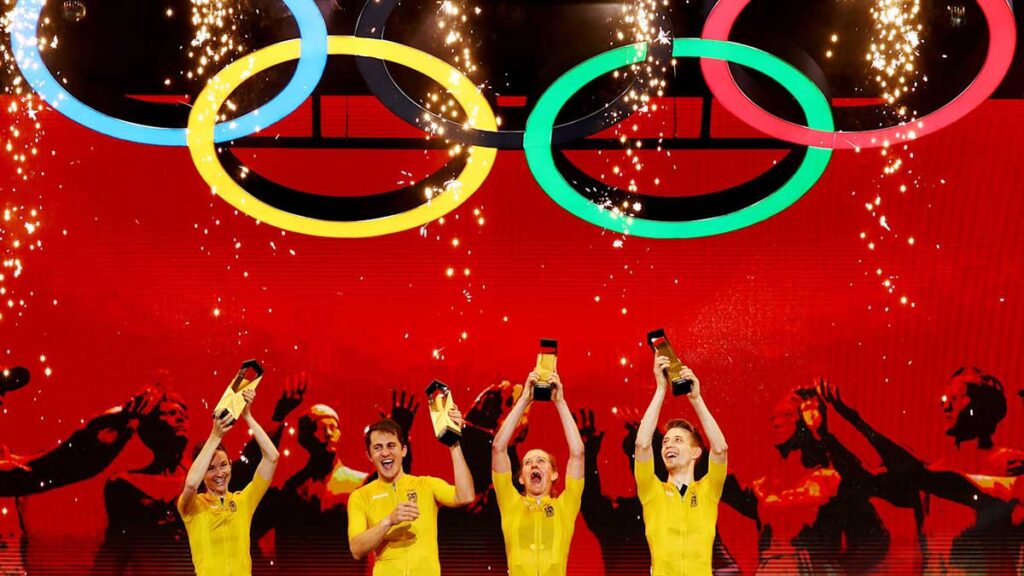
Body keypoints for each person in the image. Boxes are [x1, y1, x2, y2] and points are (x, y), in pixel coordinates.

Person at [819, 370, 1023, 574]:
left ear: (983, 405)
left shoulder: (1009, 464)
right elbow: (866, 480)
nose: (946, 404)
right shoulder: (936, 470)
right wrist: (823, 435)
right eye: (945, 397)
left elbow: (928, 478)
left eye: (957, 397)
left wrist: (856, 420)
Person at [252, 387, 418, 574]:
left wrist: (399, 433)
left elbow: (394, 483)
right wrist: (278, 416)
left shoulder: (359, 484)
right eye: (321, 428)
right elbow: (249, 525)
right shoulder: (289, 491)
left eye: (333, 427)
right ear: (305, 436)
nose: (329, 433)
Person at [635, 355, 728, 576]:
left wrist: (696, 399)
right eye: (666, 441)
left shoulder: (709, 490)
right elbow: (642, 444)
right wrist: (660, 389)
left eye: (678, 440)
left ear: (695, 452)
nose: (669, 444)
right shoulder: (651, 491)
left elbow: (720, 449)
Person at [347, 414, 474, 576]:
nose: (385, 453)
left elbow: (466, 496)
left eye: (391, 445)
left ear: (404, 450)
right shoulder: (360, 496)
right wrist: (389, 521)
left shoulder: (426, 485)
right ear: (369, 456)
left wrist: (454, 444)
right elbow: (357, 549)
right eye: (378, 448)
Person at [491, 371, 585, 576]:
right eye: (528, 463)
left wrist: (560, 401)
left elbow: (577, 453)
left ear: (553, 474)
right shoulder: (510, 503)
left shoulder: (565, 507)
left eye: (541, 461)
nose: (534, 465)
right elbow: (498, 447)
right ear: (521, 478)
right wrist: (525, 398)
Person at [177, 387, 279, 576]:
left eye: (223, 465)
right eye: (210, 468)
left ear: (231, 465)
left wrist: (248, 415)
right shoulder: (191, 507)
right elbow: (191, 484)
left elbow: (272, 457)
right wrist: (215, 436)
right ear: (202, 473)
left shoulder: (244, 501)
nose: (219, 473)